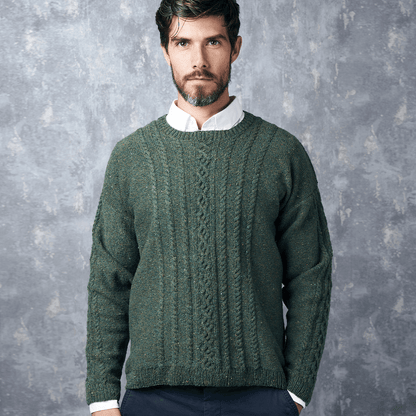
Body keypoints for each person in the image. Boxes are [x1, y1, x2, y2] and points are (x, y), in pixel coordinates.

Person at [85, 1, 333, 415]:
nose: (198, 60)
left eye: (213, 42)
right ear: (165, 51)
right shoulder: (132, 157)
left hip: (260, 395)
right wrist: (102, 397)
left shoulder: (281, 153)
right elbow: (110, 281)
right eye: (183, 43)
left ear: (235, 48)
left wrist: (296, 393)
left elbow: (310, 276)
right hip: (152, 397)